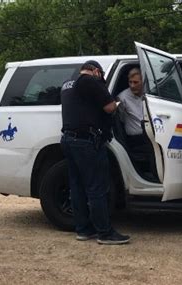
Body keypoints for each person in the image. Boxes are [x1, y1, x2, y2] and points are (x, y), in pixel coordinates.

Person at [60, 60, 130, 245]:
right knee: (96, 187)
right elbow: (108, 107)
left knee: (77, 187)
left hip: (68, 139)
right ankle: (105, 233)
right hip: (86, 141)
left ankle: (83, 229)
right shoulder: (90, 81)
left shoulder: (67, 83)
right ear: (97, 71)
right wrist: (117, 102)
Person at [116, 68, 145, 148]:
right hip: (134, 140)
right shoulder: (122, 98)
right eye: (130, 82)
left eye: (136, 82)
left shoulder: (149, 94)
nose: (132, 85)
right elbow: (121, 119)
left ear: (143, 82)